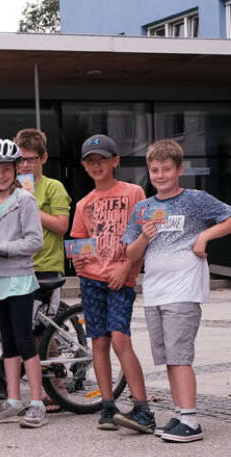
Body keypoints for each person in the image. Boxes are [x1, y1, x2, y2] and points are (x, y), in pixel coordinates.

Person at [122, 139, 231, 443]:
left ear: (179, 169)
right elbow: (131, 255)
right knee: (170, 358)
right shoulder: (143, 208)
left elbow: (228, 218)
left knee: (180, 357)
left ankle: (191, 421)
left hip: (183, 292)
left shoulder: (196, 200)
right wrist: (144, 237)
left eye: (166, 169)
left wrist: (205, 236)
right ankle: (181, 413)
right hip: (155, 293)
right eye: (154, 169)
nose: (159, 175)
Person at [68, 134, 154, 433]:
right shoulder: (83, 204)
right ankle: (107, 405)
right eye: (90, 162)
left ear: (115, 161)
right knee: (99, 342)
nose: (96, 165)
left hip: (121, 279)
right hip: (92, 280)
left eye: (102, 160)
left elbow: (145, 236)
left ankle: (143, 406)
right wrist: (78, 261)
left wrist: (127, 268)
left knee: (120, 339)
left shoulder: (133, 193)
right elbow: (79, 243)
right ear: (84, 166)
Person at [0, 139, 47, 428]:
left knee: (24, 339)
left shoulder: (25, 200)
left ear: (16, 170)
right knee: (6, 342)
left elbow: (34, 241)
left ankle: (37, 401)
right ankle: (15, 400)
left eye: (6, 169)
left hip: (20, 279)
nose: (1, 175)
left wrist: (1, 247)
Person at [14, 128, 71, 315]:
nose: (24, 165)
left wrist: (32, 207)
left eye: (31, 159)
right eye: (20, 159)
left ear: (43, 158)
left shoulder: (53, 187)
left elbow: (62, 226)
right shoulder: (10, 188)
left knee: (43, 331)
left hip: (46, 266)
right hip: (18, 265)